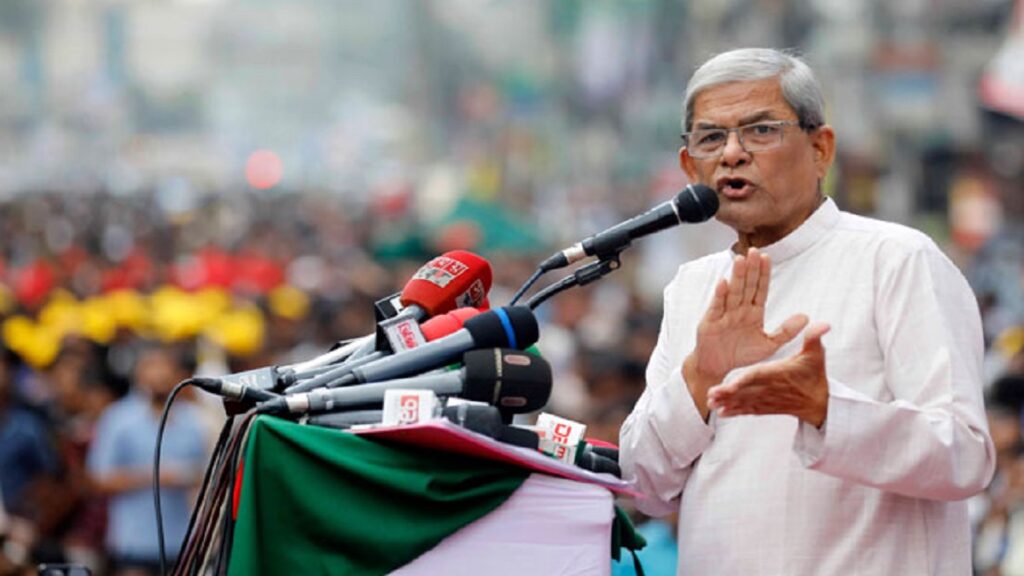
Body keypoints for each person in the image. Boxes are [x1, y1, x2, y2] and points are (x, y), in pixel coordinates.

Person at [619, 47, 995, 575]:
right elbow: (643, 483)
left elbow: (966, 457)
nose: (732, 154)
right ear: (689, 167)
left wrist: (827, 411)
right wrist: (700, 377)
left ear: (821, 149)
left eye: (760, 131)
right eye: (711, 138)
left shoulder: (896, 260)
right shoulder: (693, 286)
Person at [87, 344, 207, 576]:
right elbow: (98, 479)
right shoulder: (117, 418)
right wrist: (155, 476)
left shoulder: (193, 419)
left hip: (182, 541)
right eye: (152, 366)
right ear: (138, 373)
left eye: (165, 367)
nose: (159, 374)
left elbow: (206, 472)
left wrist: (190, 476)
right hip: (134, 542)